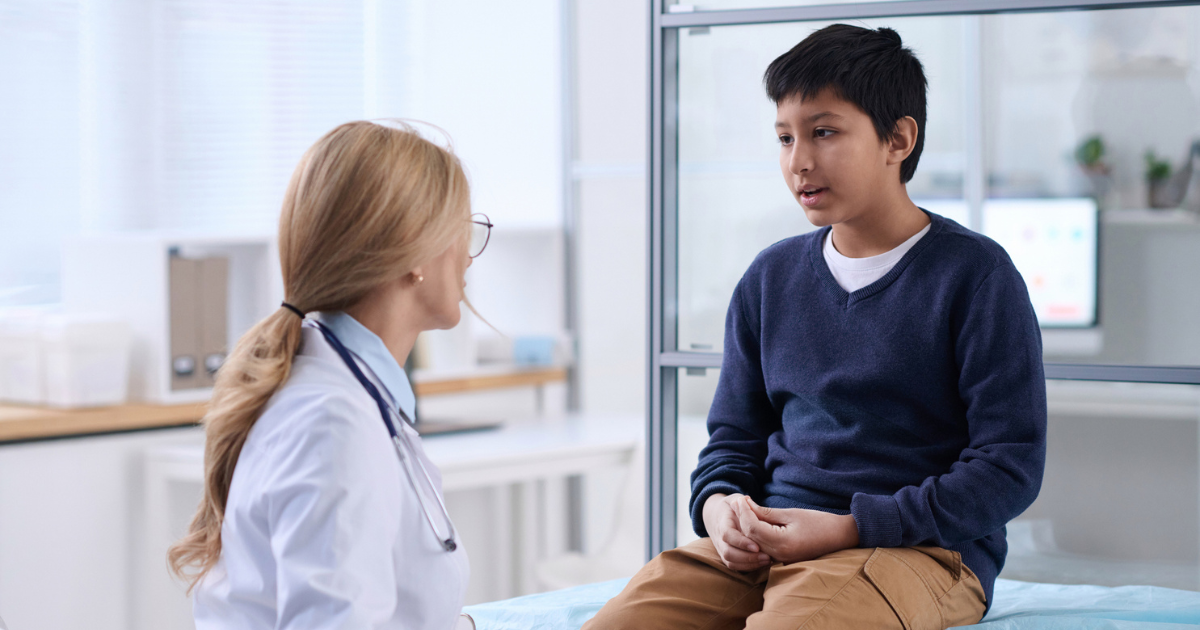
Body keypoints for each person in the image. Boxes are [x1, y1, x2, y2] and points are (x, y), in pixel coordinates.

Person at [586, 24, 1046, 630]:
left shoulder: (976, 276)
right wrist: (720, 505)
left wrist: (853, 526)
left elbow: (1008, 466)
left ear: (898, 139)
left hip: (921, 553)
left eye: (824, 132)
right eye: (784, 138)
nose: (799, 161)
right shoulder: (771, 276)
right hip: (772, 541)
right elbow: (733, 437)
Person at [168, 120, 492, 630]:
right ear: (412, 251)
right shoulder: (334, 421)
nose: (470, 255)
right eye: (461, 228)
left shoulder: (345, 393)